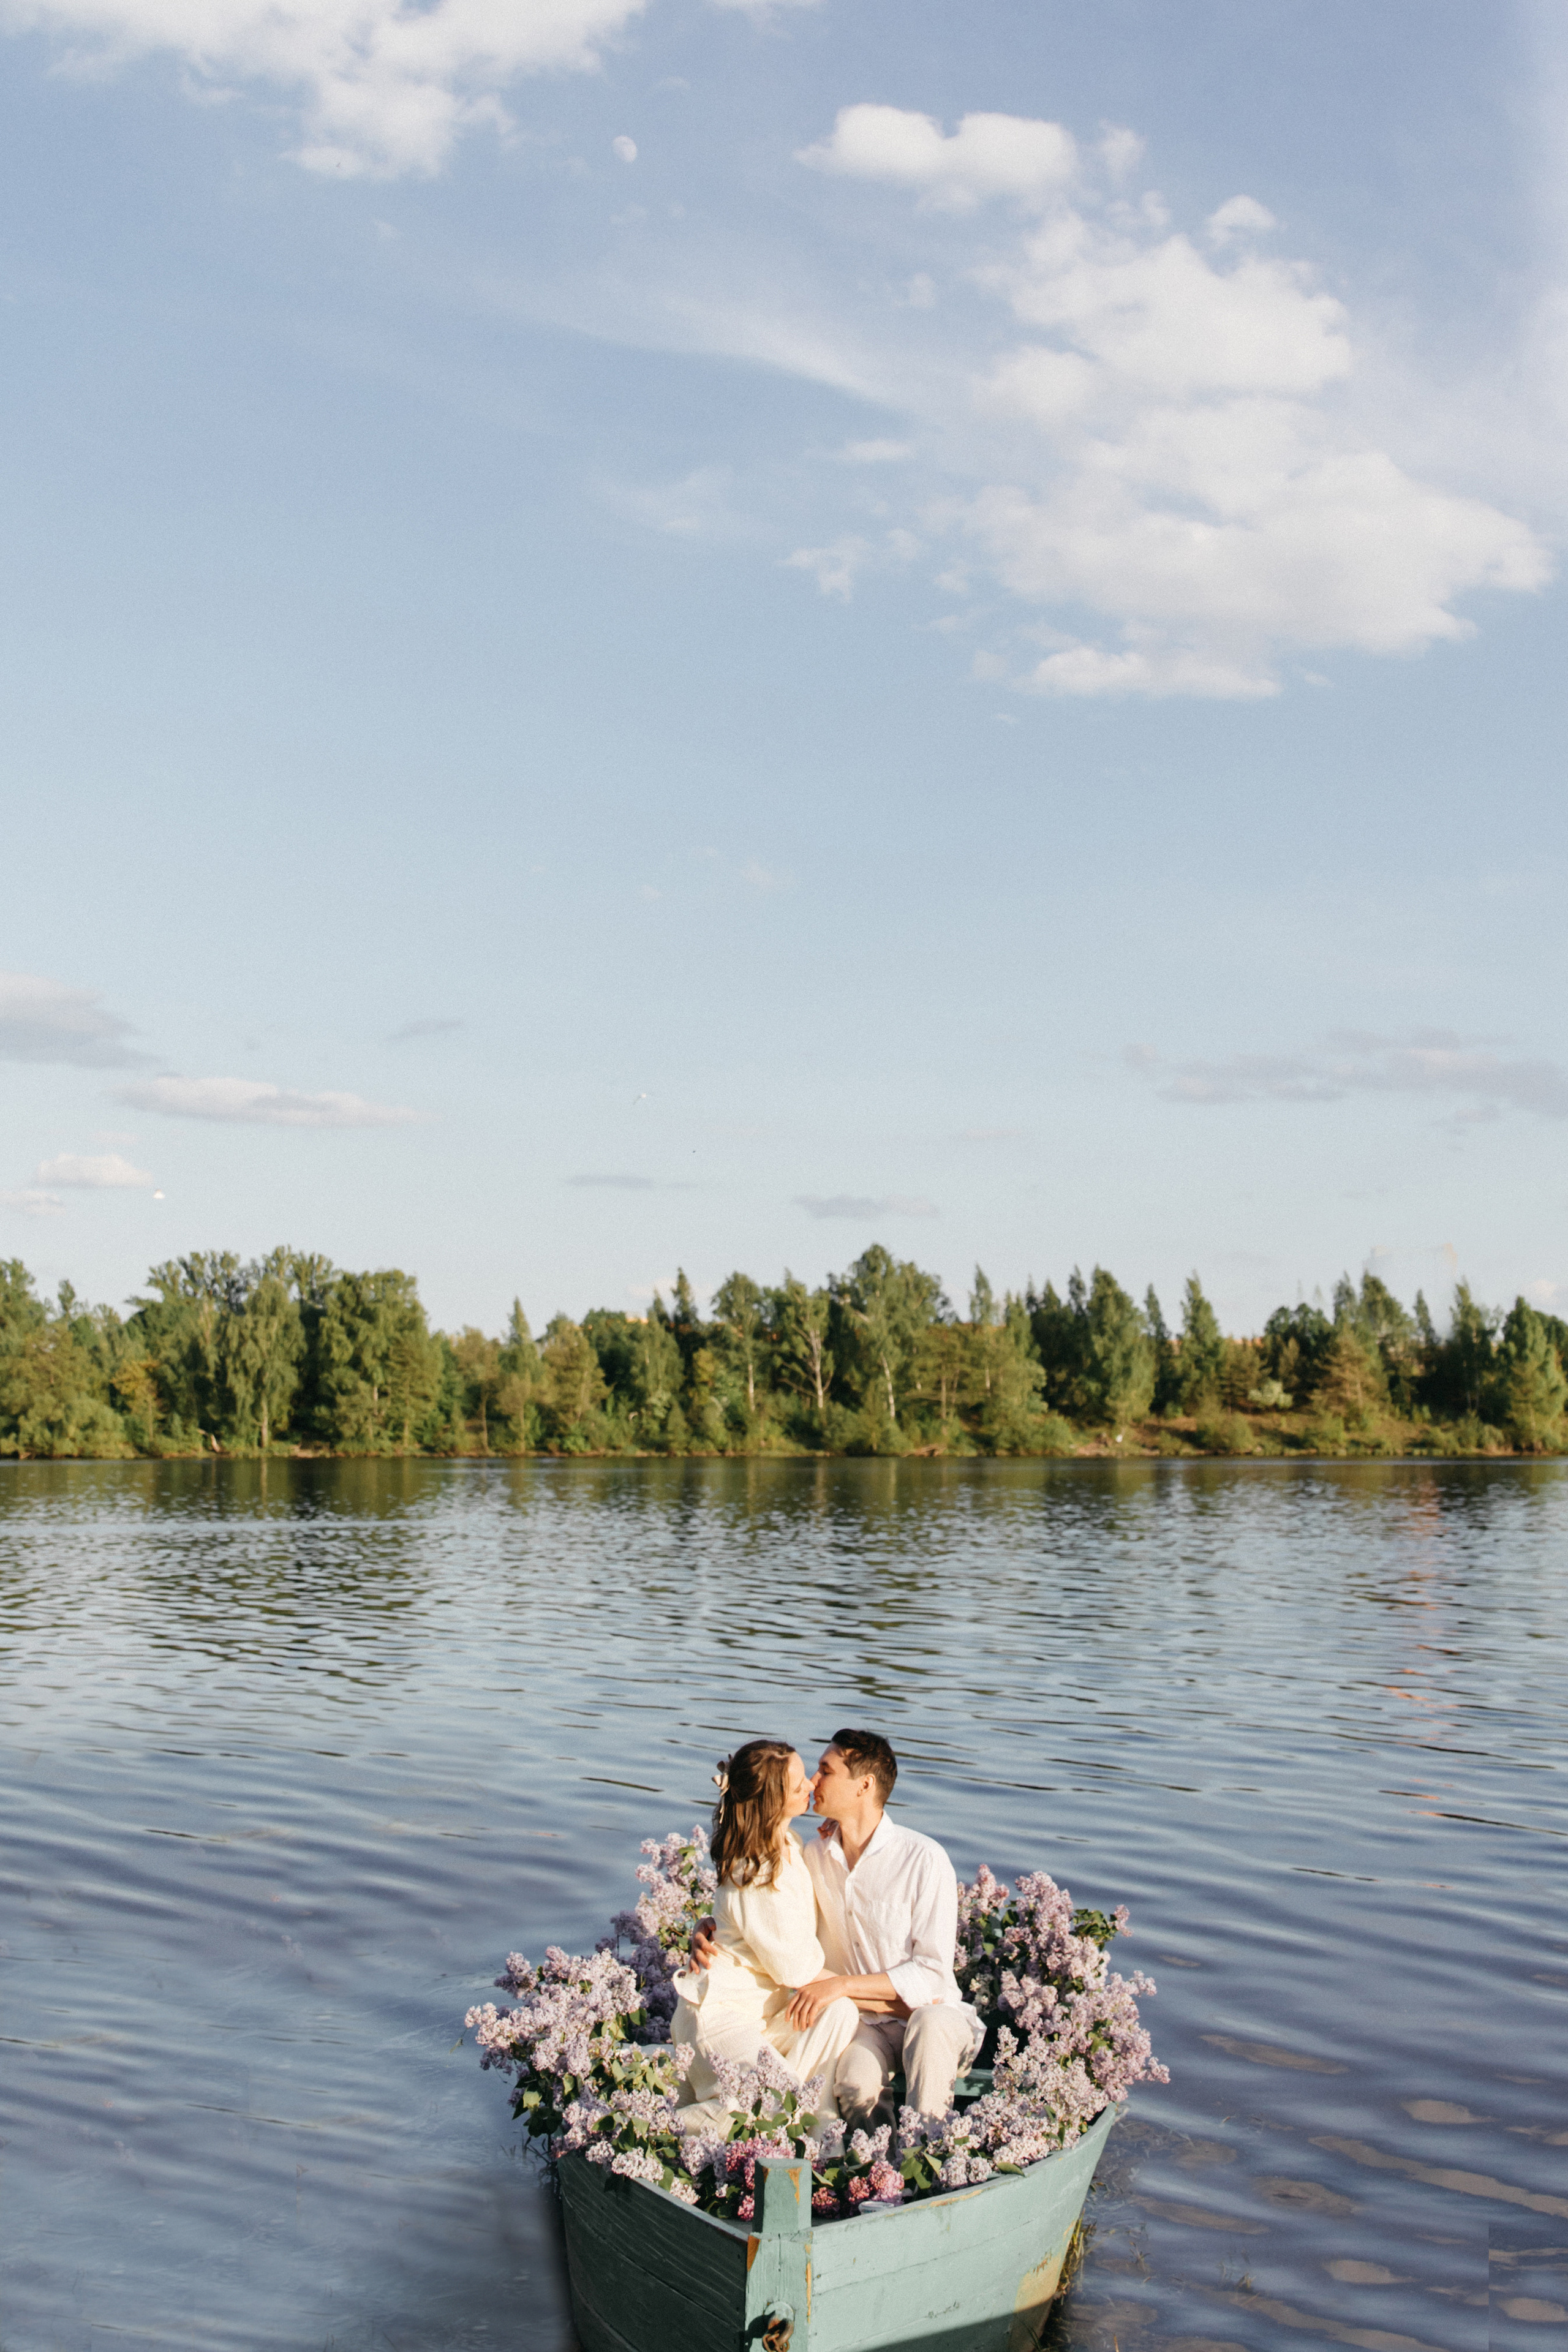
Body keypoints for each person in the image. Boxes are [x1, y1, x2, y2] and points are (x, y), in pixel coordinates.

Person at [694, 1728, 981, 2130]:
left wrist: (843, 1986)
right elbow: (763, 1909)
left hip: (933, 2016)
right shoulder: (811, 1856)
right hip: (867, 2026)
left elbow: (933, 1977)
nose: (813, 1781)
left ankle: (932, 2166)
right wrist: (713, 1928)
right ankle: (876, 2178)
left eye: (825, 1770)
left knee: (930, 2030)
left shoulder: (923, 1859)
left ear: (864, 1785)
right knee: (854, 2083)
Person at [668, 1738, 862, 2131]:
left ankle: (805, 2127)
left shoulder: (788, 1842)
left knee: (840, 2011)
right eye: (798, 1787)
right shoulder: (754, 1870)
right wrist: (890, 1995)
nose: (811, 1785)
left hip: (766, 2016)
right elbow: (797, 1971)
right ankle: (653, 2127)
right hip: (720, 2018)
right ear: (773, 1802)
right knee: (762, 2110)